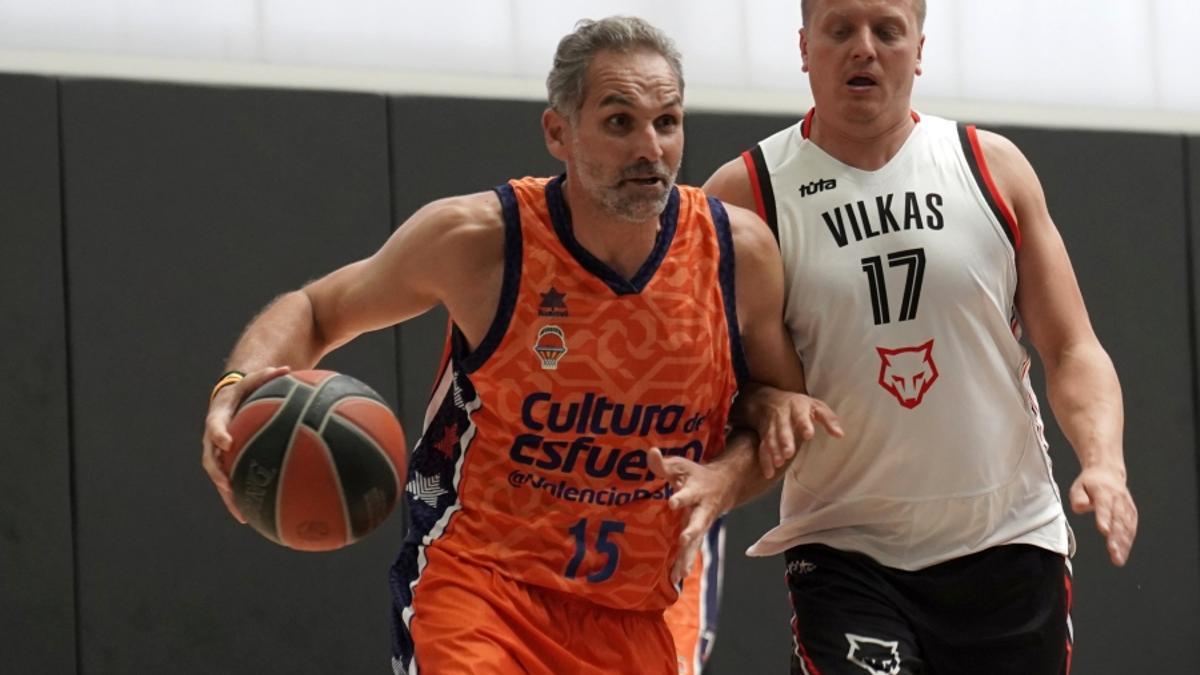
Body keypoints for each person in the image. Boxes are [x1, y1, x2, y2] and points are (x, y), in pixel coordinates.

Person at [201, 16, 836, 675]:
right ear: (558, 132)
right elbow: (315, 309)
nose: (650, 147)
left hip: (640, 607)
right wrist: (236, 389)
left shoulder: (738, 255)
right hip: (481, 586)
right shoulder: (481, 240)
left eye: (667, 121)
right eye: (619, 122)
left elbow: (781, 411)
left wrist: (728, 475)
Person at [655, 0, 1140, 673]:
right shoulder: (744, 195)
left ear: (919, 48)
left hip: (1008, 539)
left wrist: (1104, 463)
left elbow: (1072, 348)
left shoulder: (990, 167)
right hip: (845, 550)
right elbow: (700, 379)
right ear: (804, 47)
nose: (865, 48)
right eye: (840, 30)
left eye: (886, 31)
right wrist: (752, 423)